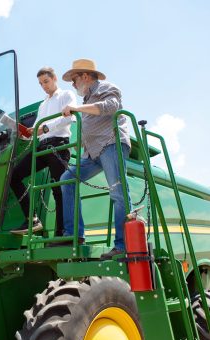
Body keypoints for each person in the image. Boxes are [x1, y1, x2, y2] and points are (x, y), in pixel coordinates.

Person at [60, 58, 131, 260]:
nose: (73, 85)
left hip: (111, 144)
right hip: (92, 153)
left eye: (74, 80)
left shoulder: (107, 87)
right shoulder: (86, 100)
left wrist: (76, 109)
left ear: (84, 76)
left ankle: (122, 245)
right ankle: (74, 234)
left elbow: (110, 107)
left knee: (118, 193)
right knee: (67, 178)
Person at [10, 67, 76, 235]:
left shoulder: (66, 95)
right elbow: (37, 130)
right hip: (41, 147)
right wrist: (26, 134)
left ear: (54, 78)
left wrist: (45, 128)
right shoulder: (43, 105)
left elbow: (69, 117)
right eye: (40, 84)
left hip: (58, 146)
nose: (44, 86)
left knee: (58, 190)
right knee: (14, 176)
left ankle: (61, 234)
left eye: (46, 82)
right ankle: (32, 220)